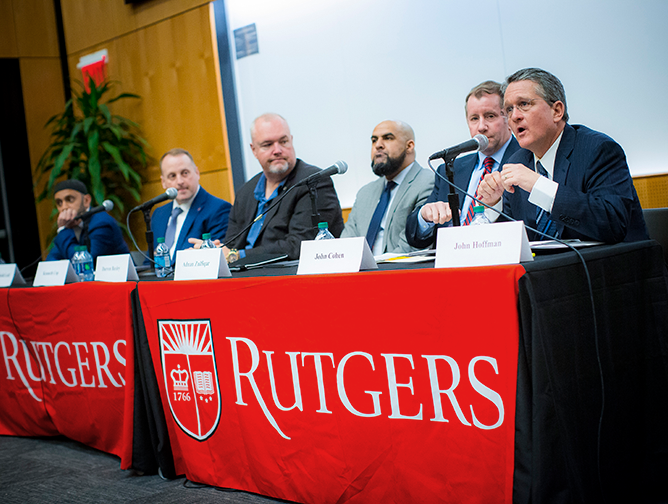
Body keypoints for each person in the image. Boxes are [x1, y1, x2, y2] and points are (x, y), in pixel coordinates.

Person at [477, 68, 648, 243]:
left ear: (557, 111)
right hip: (550, 269)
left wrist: (539, 185)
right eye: (509, 109)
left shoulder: (598, 149)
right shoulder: (517, 161)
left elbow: (612, 224)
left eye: (524, 104)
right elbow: (515, 241)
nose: (515, 116)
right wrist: (494, 204)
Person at [405, 80, 520, 249]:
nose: (481, 127)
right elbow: (415, 237)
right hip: (453, 264)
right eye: (474, 118)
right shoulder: (450, 169)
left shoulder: (526, 162)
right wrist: (425, 217)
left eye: (490, 116)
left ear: (508, 118)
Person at [218, 113, 344, 262]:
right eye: (267, 144)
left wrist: (238, 256)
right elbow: (232, 244)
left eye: (283, 142)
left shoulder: (313, 182)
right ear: (254, 150)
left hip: (288, 276)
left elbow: (299, 246)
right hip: (244, 275)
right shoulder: (246, 191)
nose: (277, 150)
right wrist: (216, 253)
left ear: (291, 141)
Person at [341, 120, 433, 254]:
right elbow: (346, 243)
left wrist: (378, 271)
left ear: (409, 146)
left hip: (397, 271)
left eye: (388, 138)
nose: (378, 145)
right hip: (361, 273)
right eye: (374, 140)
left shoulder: (427, 182)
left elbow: (413, 247)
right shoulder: (365, 193)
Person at [151, 148, 231, 261]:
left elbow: (218, 259)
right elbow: (150, 260)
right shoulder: (159, 214)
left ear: (197, 173)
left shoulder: (218, 209)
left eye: (185, 173)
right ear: (163, 182)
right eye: (172, 176)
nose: (180, 181)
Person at [46, 179, 129, 261]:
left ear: (86, 200)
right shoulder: (70, 225)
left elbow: (86, 263)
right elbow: (51, 263)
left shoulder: (101, 223)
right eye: (59, 203)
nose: (64, 207)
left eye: (70, 200)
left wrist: (62, 230)